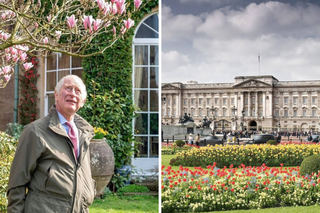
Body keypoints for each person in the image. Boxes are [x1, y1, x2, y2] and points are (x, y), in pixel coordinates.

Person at [7, 75, 95, 212]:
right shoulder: (35, 131)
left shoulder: (84, 134)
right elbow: (17, 183)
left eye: (77, 91)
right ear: (56, 94)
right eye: (68, 88)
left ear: (83, 101)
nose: (72, 93)